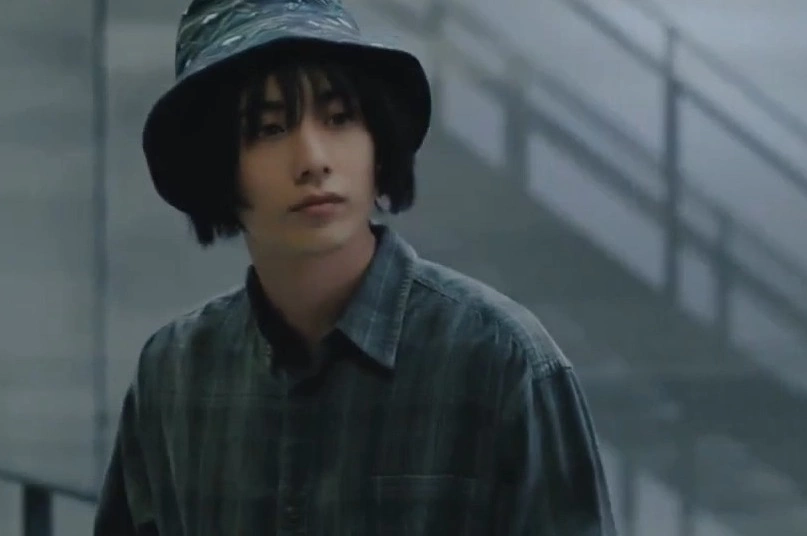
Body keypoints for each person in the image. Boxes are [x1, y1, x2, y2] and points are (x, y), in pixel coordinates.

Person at [93, 0, 617, 534]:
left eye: (340, 118)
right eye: (269, 128)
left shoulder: (500, 359)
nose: (313, 159)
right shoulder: (175, 373)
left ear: (377, 143)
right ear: (217, 165)